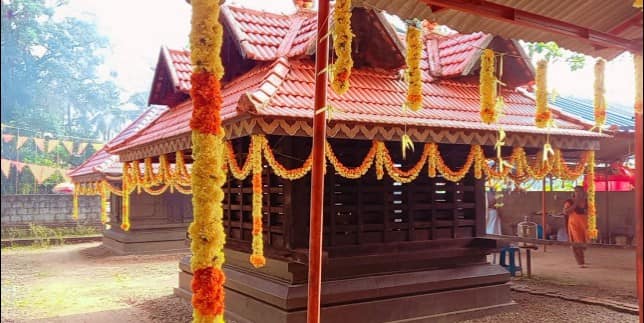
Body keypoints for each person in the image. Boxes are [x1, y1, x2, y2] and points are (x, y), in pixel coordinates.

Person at [563, 186, 588, 268]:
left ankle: (582, 259)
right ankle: (580, 262)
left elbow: (590, 212)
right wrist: (575, 203)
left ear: (583, 193)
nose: (578, 193)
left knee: (584, 244)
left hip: (584, 226)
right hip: (574, 226)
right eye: (576, 191)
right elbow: (566, 212)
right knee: (576, 243)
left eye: (580, 191)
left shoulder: (586, 201)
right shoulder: (569, 202)